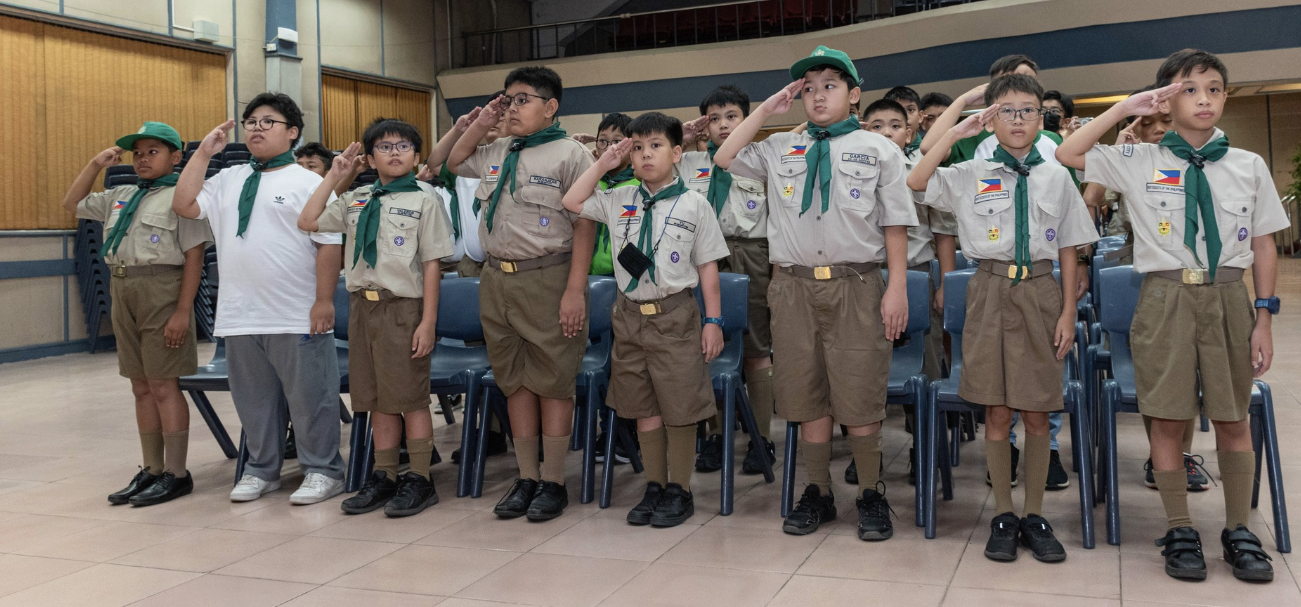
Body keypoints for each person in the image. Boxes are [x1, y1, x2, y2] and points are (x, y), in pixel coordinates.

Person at [1057, 48, 1286, 583]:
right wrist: (1125, 109)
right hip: (1164, 298)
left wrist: (1265, 315)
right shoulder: (1140, 160)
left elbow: (1268, 245)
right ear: (1166, 98)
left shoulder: (1247, 164)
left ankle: (1238, 530)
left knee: (1232, 416)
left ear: (1226, 97)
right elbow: (1069, 153)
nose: (1204, 98)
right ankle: (1180, 528)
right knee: (1167, 416)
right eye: (1189, 89)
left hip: (1229, 295)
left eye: (1214, 88)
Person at [715, 46, 916, 541]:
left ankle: (871, 493)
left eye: (830, 85)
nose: (818, 95)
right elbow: (724, 156)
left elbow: (894, 225)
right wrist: (766, 111)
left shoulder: (879, 149)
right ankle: (818, 492)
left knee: (860, 391)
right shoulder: (782, 146)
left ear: (854, 94)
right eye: (809, 87)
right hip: (793, 286)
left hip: (858, 284)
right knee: (806, 394)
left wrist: (897, 290)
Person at [908, 73, 1098, 563]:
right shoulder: (973, 168)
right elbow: (917, 181)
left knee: (1036, 409)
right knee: (996, 409)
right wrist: (956, 133)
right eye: (1007, 111)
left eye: (1028, 110)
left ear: (1042, 117)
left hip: (1039, 289)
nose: (1018, 120)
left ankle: (1035, 514)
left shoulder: (1057, 172)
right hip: (989, 288)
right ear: (991, 117)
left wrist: (1067, 309)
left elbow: (1072, 244)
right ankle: (1004, 513)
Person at [173, 93, 346, 505]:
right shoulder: (228, 178)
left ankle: (323, 470)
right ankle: (262, 469)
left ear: (292, 132)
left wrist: (323, 300)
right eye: (251, 121)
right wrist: (203, 154)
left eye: (268, 121)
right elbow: (183, 204)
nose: (255, 127)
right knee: (254, 402)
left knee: (311, 399)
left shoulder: (311, 183)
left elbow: (329, 243)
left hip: (295, 311)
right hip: (240, 313)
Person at [562, 112, 728, 527]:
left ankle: (680, 489)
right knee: (644, 405)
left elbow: (708, 268)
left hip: (676, 315)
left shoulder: (694, 204)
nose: (645, 154)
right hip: (631, 317)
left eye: (655, 145)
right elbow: (572, 201)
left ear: (677, 152)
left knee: (680, 405)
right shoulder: (620, 197)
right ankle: (655, 485)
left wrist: (713, 321)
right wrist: (603, 163)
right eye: (637, 147)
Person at [448, 66, 596, 521]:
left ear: (551, 107)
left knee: (552, 383)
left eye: (522, 99)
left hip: (548, 278)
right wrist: (482, 119)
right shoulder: (497, 149)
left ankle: (553, 480)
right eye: (507, 98)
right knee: (514, 382)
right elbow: (454, 161)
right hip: (497, 280)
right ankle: (526, 476)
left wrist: (575, 290)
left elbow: (585, 224)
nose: (512, 106)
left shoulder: (571, 155)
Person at [298, 118, 455, 517]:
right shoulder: (357, 198)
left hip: (404, 308)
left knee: (411, 398)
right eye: (384, 147)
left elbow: (432, 264)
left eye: (404, 146)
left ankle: (419, 477)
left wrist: (428, 322)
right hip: (363, 309)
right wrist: (336, 176)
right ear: (369, 158)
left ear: (417, 155)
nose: (395, 152)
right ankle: (385, 475)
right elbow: (308, 219)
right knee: (377, 399)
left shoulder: (426, 198)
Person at [63, 122, 212, 507]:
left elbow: (195, 256)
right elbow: (73, 204)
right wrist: (96, 164)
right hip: (121, 286)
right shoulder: (121, 194)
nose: (142, 159)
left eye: (153, 151)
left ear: (176, 157)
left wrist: (182, 311)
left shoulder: (183, 197)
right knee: (140, 385)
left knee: (164, 385)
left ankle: (177, 474)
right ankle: (152, 469)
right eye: (137, 153)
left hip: (162, 288)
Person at [858, 98, 957, 486]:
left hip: (916, 275)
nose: (886, 133)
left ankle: (926, 446)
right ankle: (871, 451)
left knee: (926, 365)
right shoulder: (854, 172)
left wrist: (946, 285)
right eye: (876, 126)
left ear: (910, 133)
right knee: (868, 368)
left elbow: (944, 232)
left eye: (895, 126)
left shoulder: (923, 171)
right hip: (867, 277)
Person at [678, 85, 776, 476]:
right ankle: (717, 435)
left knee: (755, 347)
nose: (722, 125)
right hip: (699, 258)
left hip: (750, 254)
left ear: (746, 118)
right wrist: (681, 141)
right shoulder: (685, 163)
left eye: (731, 117)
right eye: (714, 118)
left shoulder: (763, 161)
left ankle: (762, 437)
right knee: (708, 347)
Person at [591, 112, 638, 276]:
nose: (610, 148)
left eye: (617, 141)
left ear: (632, 146)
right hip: (589, 271)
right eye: (603, 141)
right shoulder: (590, 182)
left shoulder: (640, 185)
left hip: (627, 274)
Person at [883, 85, 923, 154]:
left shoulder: (932, 150)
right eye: (898, 110)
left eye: (910, 110)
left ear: (920, 116)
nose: (905, 116)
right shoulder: (877, 151)